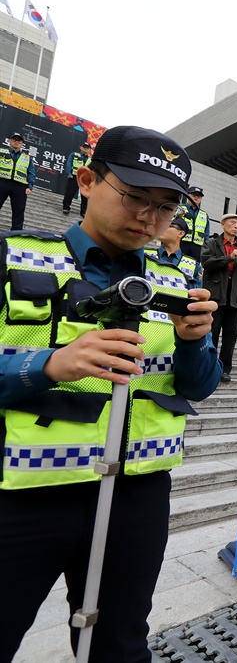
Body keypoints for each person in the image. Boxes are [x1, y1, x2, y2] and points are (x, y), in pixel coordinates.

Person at [0, 125, 221, 662]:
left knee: (120, 644)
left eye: (167, 207)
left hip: (138, 496)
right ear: (86, 180)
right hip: (25, 493)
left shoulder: (175, 279)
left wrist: (195, 344)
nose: (149, 217)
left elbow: (198, 386)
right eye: (135, 197)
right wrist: (47, 365)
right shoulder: (15, 257)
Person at [202, 213, 237, 383]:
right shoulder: (212, 243)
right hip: (214, 297)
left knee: (230, 336)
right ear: (222, 224)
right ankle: (207, 367)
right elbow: (207, 263)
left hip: (235, 298)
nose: (236, 226)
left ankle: (224, 369)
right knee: (211, 333)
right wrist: (229, 257)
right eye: (232, 223)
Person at [146, 216, 203, 288]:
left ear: (180, 233)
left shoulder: (193, 265)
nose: (162, 228)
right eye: (162, 224)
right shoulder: (145, 255)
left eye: (169, 225)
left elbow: (196, 294)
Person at [0, 132, 36, 231]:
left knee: (19, 211)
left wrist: (30, 186)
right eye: (14, 139)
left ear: (22, 144)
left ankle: (15, 233)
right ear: (9, 140)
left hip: (20, 186)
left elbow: (31, 173)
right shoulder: (1, 151)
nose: (16, 142)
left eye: (19, 141)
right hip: (2, 182)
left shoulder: (27, 157)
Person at [178, 185, 209, 261]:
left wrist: (206, 249)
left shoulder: (204, 214)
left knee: (193, 268)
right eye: (194, 194)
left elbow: (206, 234)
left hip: (197, 247)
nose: (196, 197)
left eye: (199, 196)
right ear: (188, 195)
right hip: (181, 243)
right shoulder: (180, 209)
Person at [62, 141, 92, 217]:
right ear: (80, 147)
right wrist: (68, 173)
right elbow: (69, 163)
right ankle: (66, 207)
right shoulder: (74, 154)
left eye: (87, 147)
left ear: (90, 150)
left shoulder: (91, 159)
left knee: (85, 196)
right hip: (75, 176)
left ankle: (83, 211)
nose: (85, 149)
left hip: (85, 179)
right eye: (84, 147)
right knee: (70, 192)